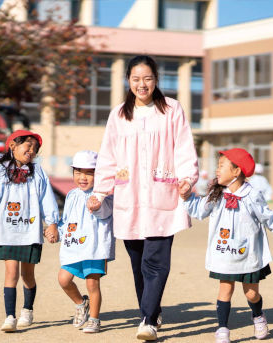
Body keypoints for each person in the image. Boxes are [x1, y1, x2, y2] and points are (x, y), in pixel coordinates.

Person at [89, 55, 199, 341]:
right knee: (138, 263)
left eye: (147, 78)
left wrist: (187, 178)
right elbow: (108, 154)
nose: (142, 84)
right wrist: (100, 191)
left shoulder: (172, 109)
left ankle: (148, 319)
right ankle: (151, 309)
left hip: (164, 195)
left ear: (156, 80)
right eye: (136, 79)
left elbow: (183, 146)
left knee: (156, 260)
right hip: (129, 196)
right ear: (128, 80)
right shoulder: (119, 114)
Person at [180, 148, 273, 343]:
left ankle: (258, 315)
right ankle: (222, 328)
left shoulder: (252, 195)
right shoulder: (216, 193)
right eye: (218, 166)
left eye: (222, 166)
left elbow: (267, 216)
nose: (217, 170)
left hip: (249, 254)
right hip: (225, 254)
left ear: (236, 171)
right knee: (225, 291)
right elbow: (199, 211)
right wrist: (187, 197)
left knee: (252, 293)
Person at [0, 130, 59, 332]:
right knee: (11, 273)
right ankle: (10, 316)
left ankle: (27, 310)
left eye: (35, 148)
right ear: (13, 146)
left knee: (27, 275)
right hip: (7, 231)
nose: (31, 151)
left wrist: (52, 222)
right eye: (27, 146)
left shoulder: (37, 172)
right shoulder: (1, 171)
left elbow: (47, 197)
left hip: (29, 230)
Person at [47, 150, 114, 334]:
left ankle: (94, 319)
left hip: (94, 249)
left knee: (92, 284)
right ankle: (81, 303)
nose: (82, 177)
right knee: (63, 279)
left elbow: (106, 214)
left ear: (98, 174)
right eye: (78, 172)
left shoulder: (103, 195)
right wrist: (57, 232)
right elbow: (67, 220)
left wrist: (97, 206)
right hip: (73, 247)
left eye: (88, 173)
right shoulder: (71, 195)